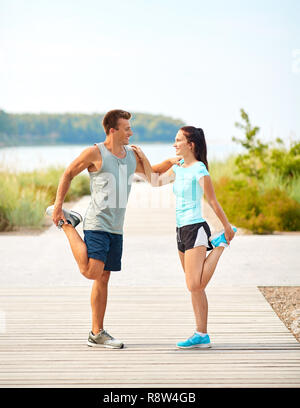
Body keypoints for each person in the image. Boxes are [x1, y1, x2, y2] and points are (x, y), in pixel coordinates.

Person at [46, 109, 180, 349]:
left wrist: (172, 163)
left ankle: (96, 333)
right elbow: (68, 173)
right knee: (91, 272)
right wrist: (58, 207)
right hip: (97, 221)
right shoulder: (94, 153)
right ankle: (67, 224)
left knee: (104, 277)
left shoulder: (131, 155)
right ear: (112, 130)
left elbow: (153, 172)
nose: (131, 132)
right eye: (127, 128)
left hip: (116, 227)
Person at [131, 126, 237, 349]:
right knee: (196, 287)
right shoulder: (178, 168)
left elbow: (213, 202)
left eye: (179, 140)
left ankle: (220, 245)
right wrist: (142, 157)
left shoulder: (200, 170)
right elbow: (154, 181)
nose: (174, 144)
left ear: (191, 145)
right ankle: (202, 334)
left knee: (193, 284)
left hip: (196, 229)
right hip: (180, 231)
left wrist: (226, 227)